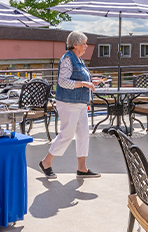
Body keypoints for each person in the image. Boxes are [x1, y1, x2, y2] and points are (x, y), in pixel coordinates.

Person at [39, 31, 104, 179]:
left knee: (83, 134)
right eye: (84, 43)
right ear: (75, 44)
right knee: (67, 134)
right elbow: (63, 81)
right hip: (68, 103)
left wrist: (91, 82)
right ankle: (46, 162)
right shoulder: (68, 59)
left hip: (80, 103)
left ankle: (82, 168)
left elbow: (78, 79)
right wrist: (83, 83)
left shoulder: (79, 59)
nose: (86, 46)